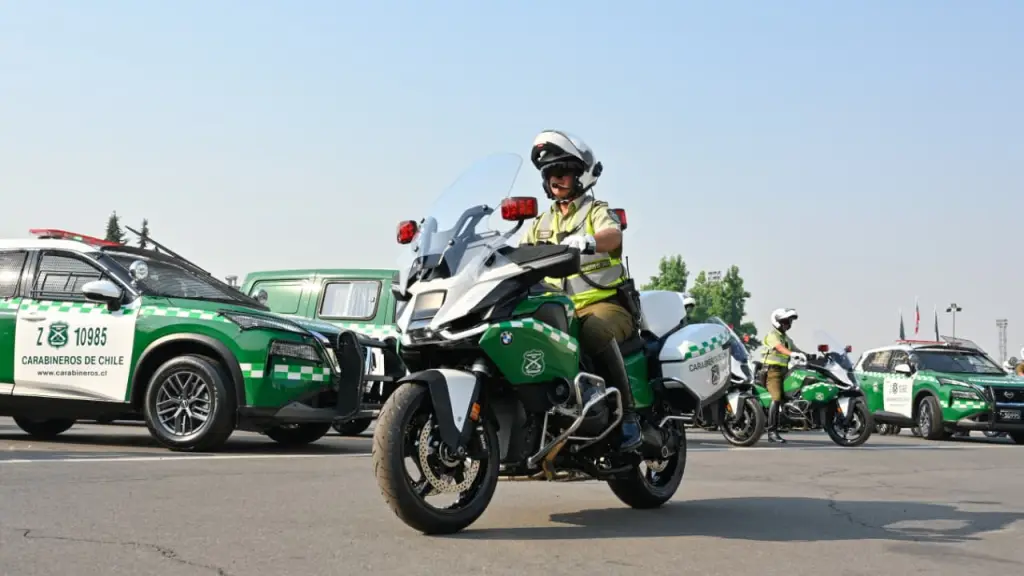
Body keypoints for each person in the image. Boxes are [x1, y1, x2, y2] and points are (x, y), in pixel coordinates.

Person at [519, 129, 642, 452]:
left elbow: (613, 235)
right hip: (557, 309)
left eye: (562, 173)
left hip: (603, 305)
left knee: (593, 331)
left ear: (581, 175)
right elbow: (517, 255)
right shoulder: (539, 223)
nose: (555, 180)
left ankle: (628, 415)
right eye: (549, 175)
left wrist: (589, 241)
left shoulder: (595, 210)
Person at [761, 308, 806, 443]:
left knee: (795, 392)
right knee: (776, 398)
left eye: (789, 321)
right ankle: (772, 432)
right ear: (777, 321)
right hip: (772, 372)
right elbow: (780, 348)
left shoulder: (786, 338)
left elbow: (796, 349)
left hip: (785, 371)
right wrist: (791, 354)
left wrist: (809, 355)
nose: (788, 324)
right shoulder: (772, 335)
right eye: (786, 321)